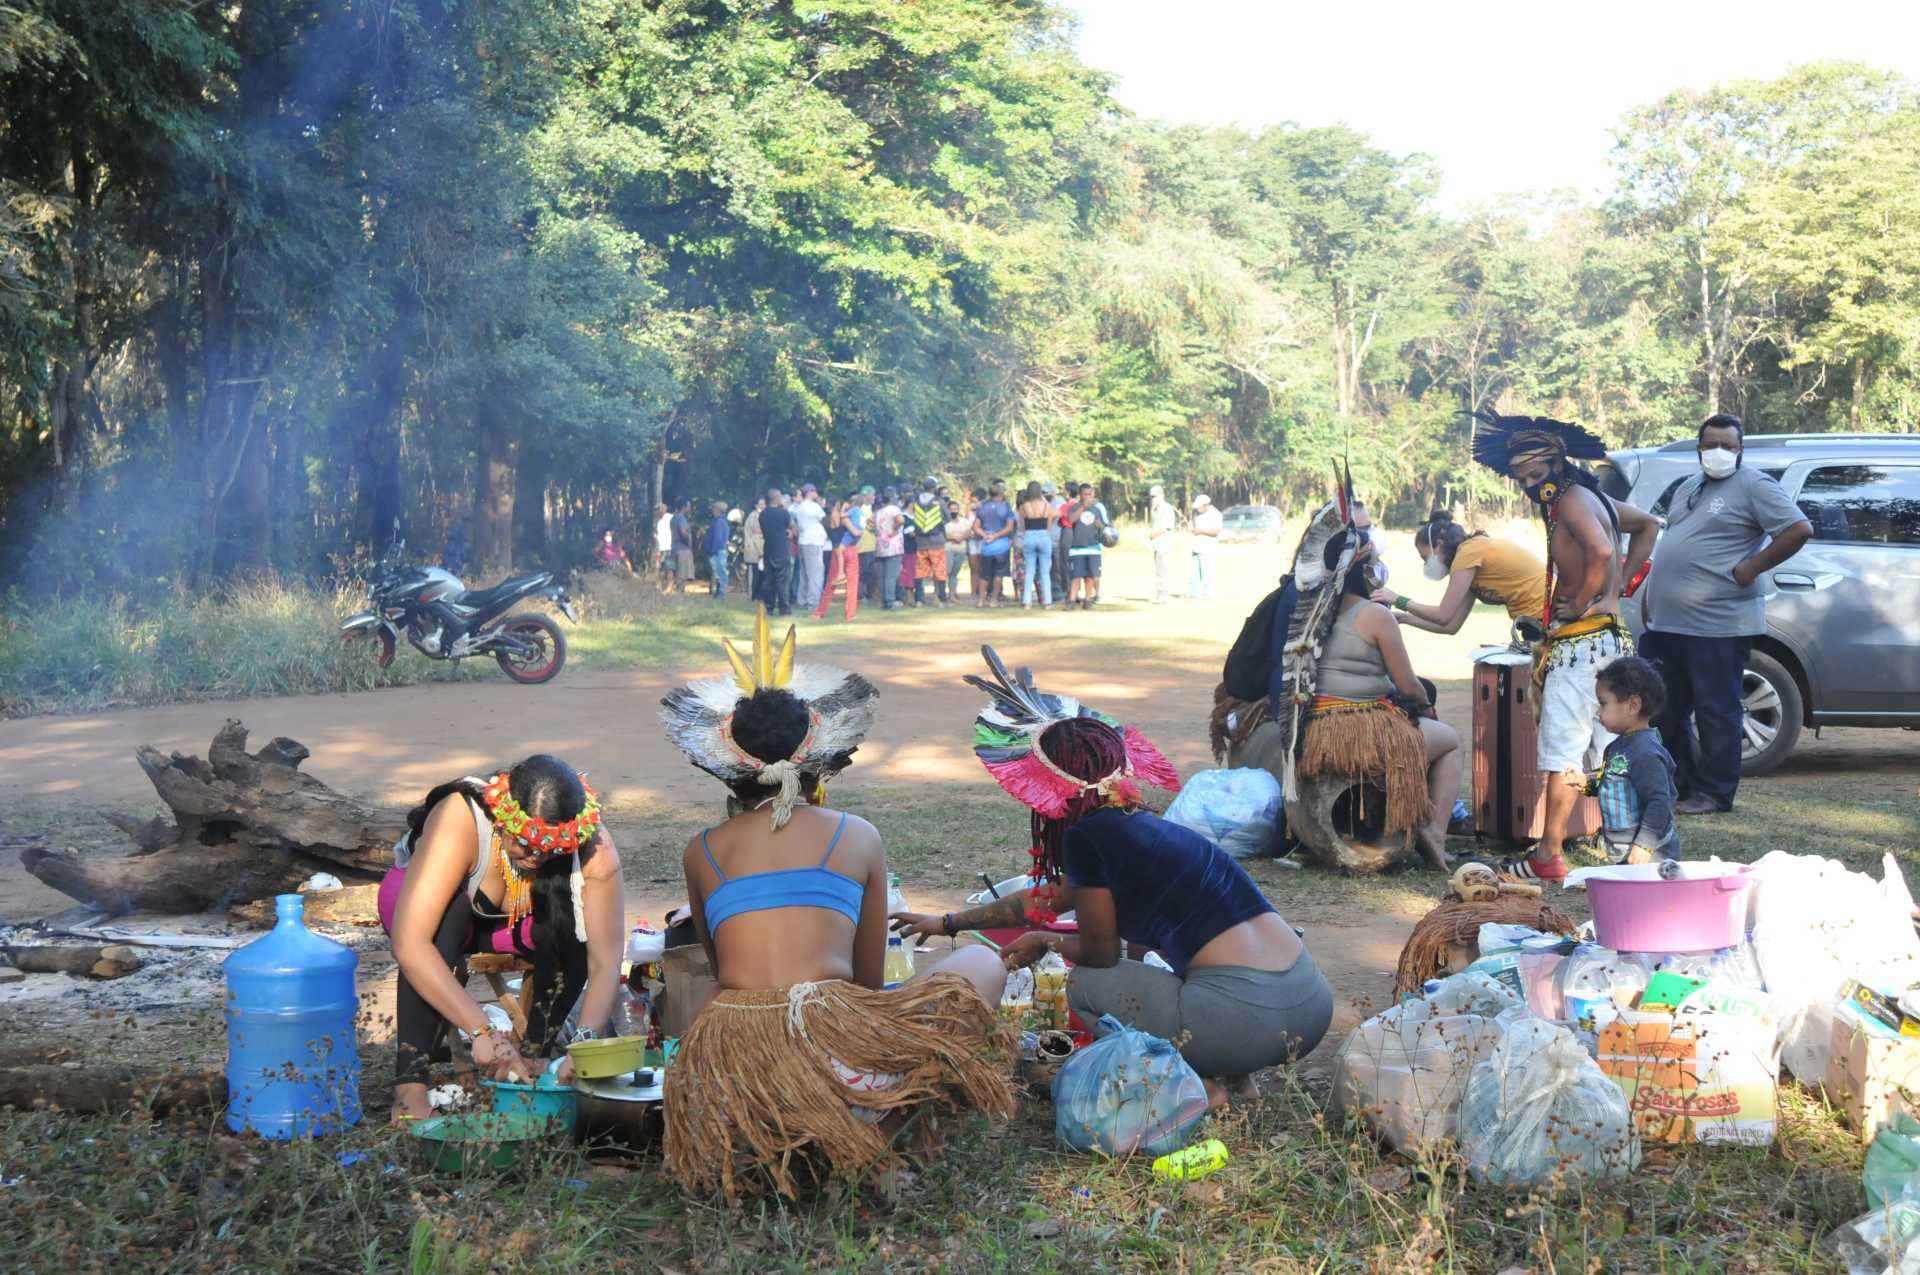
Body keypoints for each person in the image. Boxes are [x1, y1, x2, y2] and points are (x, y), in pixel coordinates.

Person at [659, 608, 1011, 1198]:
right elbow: (867, 985)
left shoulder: (703, 851)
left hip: (733, 1079)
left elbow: (725, 975)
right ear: (818, 757)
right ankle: (879, 1139)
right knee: (983, 964)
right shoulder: (857, 835)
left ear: (728, 769)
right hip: (840, 1060)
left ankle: (793, 1142)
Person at [893, 650, 1333, 1108]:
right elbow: (1044, 900)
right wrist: (947, 923)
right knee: (1176, 972)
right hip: (1309, 1004)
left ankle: (1200, 1087)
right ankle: (1240, 1078)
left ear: (1052, 785)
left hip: (1245, 1014)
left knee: (1087, 983)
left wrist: (1045, 941)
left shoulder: (1087, 837)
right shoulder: (1142, 829)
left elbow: (1100, 955)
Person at [378, 756, 626, 1121]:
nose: (536, 858)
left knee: (574, 919)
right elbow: (411, 944)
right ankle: (410, 1084)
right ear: (503, 818)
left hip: (506, 923)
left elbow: (605, 961)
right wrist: (482, 1030)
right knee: (445, 924)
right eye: (525, 845)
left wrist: (583, 1046)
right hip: (419, 911)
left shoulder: (595, 848)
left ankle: (538, 1054)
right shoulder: (460, 817)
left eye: (550, 850)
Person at [1470, 410, 1658, 881]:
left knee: (1564, 750)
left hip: (1583, 645)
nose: (1531, 484)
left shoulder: (1573, 500)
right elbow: (1649, 525)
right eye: (1521, 478)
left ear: (1557, 463)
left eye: (1536, 474)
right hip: (1609, 637)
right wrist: (1618, 592)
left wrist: (1589, 597)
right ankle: (1631, 843)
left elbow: (1601, 551)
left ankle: (1548, 853)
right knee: (1614, 745)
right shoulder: (1592, 497)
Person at [1639, 415, 1813, 816]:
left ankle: (1715, 794)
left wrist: (1751, 567)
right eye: (1711, 444)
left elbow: (1798, 529)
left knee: (1716, 711)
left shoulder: (1754, 485)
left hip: (1717, 625)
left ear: (1740, 451)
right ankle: (1681, 788)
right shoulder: (1688, 486)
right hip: (1668, 623)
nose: (1719, 452)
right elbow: (1675, 543)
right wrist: (1653, 593)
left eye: (1728, 446)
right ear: (1699, 447)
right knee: (1664, 708)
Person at [1377, 509, 1546, 633]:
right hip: (1535, 618)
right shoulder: (1469, 563)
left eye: (1425, 558)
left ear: (1439, 544)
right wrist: (1402, 618)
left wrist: (1397, 599)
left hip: (1543, 615)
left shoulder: (1467, 554)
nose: (1426, 565)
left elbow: (1442, 615)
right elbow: (1451, 626)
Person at [1591, 656, 1681, 865]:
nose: (1598, 711)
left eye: (1603, 704)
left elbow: (1659, 802)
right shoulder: (1618, 746)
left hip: (1652, 857)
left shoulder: (1645, 753)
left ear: (1633, 705)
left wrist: (1644, 845)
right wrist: (1586, 783)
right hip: (1625, 852)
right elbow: (1614, 783)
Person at [812, 493, 863, 622]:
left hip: (835, 552)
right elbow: (855, 531)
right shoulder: (844, 518)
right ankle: (850, 614)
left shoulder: (825, 519)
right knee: (852, 583)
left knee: (830, 583)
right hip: (849, 549)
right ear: (837, 504)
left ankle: (819, 612)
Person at [1064, 483, 1109, 609]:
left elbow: (1104, 526)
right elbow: (1071, 520)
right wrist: (1083, 507)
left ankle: (1088, 600)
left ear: (1093, 494)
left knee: (1090, 576)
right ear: (1080, 495)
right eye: (1085, 494)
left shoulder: (1097, 509)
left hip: (1093, 547)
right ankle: (1072, 601)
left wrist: (1100, 525)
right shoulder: (1075, 507)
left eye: (1090, 494)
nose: (1088, 497)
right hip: (1077, 548)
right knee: (1076, 576)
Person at [973, 480, 1015, 607]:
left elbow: (975, 527)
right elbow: (1009, 527)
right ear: (1001, 494)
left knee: (984, 574)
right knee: (998, 574)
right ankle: (993, 600)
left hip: (986, 546)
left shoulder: (983, 507)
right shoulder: (1006, 506)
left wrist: (986, 535)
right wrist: (996, 536)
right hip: (1001, 546)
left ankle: (981, 600)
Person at [908, 483, 949, 606]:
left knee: (920, 571)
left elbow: (911, 518)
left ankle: (919, 599)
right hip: (937, 541)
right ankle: (940, 599)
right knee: (939, 570)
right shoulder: (939, 501)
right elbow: (947, 517)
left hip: (920, 542)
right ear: (934, 488)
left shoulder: (916, 502)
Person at [1016, 482, 1055, 609]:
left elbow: (1022, 526)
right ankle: (1047, 602)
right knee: (1045, 572)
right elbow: (1049, 525)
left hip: (1029, 536)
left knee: (1029, 571)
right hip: (1044, 536)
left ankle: (1027, 602)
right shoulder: (1047, 506)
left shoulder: (1023, 506)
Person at [757, 488, 794, 616]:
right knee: (782, 580)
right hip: (782, 549)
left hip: (768, 549)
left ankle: (769, 608)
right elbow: (792, 527)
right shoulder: (783, 513)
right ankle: (784, 609)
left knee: (769, 580)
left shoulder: (762, 514)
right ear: (777, 498)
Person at [792, 483, 829, 610]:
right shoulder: (813, 506)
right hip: (813, 542)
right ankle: (813, 603)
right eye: (814, 490)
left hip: (803, 541)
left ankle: (802, 600)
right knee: (816, 573)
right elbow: (825, 521)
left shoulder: (800, 507)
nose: (816, 492)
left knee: (804, 574)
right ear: (809, 492)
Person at [872, 487, 906, 610]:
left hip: (880, 546)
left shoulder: (877, 512)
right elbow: (900, 520)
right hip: (894, 546)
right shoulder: (894, 509)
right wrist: (895, 528)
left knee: (882, 576)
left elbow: (871, 527)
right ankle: (890, 602)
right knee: (891, 576)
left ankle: (884, 602)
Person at [1188, 495, 1222, 598]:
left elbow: (1216, 532)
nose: (1198, 509)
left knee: (1207, 572)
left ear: (1206, 505)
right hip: (1197, 547)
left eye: (1199, 507)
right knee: (1194, 573)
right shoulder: (1198, 514)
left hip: (1208, 549)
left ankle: (1208, 593)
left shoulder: (1216, 514)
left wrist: (1201, 531)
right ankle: (1194, 593)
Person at [1147, 485, 1177, 604]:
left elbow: (1165, 527)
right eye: (1151, 497)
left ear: (1161, 495)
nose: (1152, 499)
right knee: (1158, 571)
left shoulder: (1167, 508)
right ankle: (1160, 594)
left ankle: (1163, 596)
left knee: (1163, 571)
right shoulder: (1155, 509)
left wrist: (1151, 536)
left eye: (1155, 496)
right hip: (1157, 545)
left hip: (1164, 544)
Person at [943, 497, 973, 599]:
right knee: (947, 571)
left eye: (955, 509)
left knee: (954, 573)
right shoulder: (945, 523)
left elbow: (970, 533)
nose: (953, 511)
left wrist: (961, 537)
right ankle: (943, 593)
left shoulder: (964, 521)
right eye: (951, 509)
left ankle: (952, 594)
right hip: (948, 549)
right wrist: (952, 537)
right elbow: (942, 535)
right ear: (948, 510)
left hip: (961, 550)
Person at [702, 501, 731, 600]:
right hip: (719, 550)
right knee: (719, 572)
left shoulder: (719, 522)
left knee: (719, 572)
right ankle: (719, 592)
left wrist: (712, 550)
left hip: (717, 551)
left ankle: (721, 594)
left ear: (718, 510)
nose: (712, 511)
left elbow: (717, 538)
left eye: (714, 509)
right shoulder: (721, 521)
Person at [741, 498, 767, 602]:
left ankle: (759, 595)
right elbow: (753, 535)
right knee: (755, 575)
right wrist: (758, 551)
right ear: (756, 505)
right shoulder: (753, 517)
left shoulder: (761, 515)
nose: (763, 506)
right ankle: (754, 596)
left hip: (760, 549)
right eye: (761, 504)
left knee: (761, 574)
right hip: (755, 550)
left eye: (764, 504)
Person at [653, 503, 673, 579]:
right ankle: (661, 585)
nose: (657, 512)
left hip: (669, 547)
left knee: (670, 568)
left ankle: (670, 585)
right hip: (661, 548)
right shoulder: (658, 522)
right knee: (661, 568)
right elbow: (658, 536)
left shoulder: (670, 517)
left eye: (658, 510)